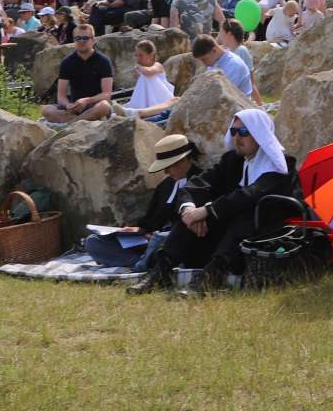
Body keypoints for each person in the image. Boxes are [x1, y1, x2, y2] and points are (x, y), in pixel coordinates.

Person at [127, 109, 297, 294]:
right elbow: (198, 184)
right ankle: (159, 273)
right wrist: (189, 209)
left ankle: (211, 277)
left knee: (244, 216)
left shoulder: (281, 164)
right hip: (227, 240)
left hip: (261, 240)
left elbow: (251, 195)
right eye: (234, 131)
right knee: (189, 219)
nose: (237, 138)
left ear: (259, 134)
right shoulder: (233, 160)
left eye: (244, 132)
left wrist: (207, 211)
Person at [94, 133, 197, 270]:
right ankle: (147, 263)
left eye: (170, 166)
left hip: (176, 241)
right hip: (152, 242)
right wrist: (136, 231)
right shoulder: (165, 186)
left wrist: (155, 237)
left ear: (185, 159)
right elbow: (150, 223)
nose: (166, 171)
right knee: (93, 242)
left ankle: (145, 264)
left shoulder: (201, 181)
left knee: (159, 239)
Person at [42, 25, 114, 123]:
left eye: (85, 38)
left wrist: (86, 101)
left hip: (94, 105)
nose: (81, 41)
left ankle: (72, 122)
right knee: (46, 110)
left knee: (104, 106)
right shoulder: (67, 62)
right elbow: (61, 96)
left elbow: (107, 94)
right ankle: (77, 121)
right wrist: (68, 105)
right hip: (74, 107)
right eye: (78, 38)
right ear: (74, 40)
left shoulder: (103, 61)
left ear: (93, 40)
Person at [114, 39, 178, 121]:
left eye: (140, 55)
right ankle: (138, 109)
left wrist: (139, 68)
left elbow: (149, 72)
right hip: (147, 101)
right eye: (136, 55)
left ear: (151, 55)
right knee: (144, 77)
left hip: (162, 99)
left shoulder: (157, 65)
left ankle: (137, 110)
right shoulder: (141, 70)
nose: (137, 58)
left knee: (147, 76)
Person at [193, 35, 256, 101]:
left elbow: (224, 96)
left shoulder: (234, 65)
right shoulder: (214, 63)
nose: (204, 63)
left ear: (214, 50)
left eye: (204, 59)